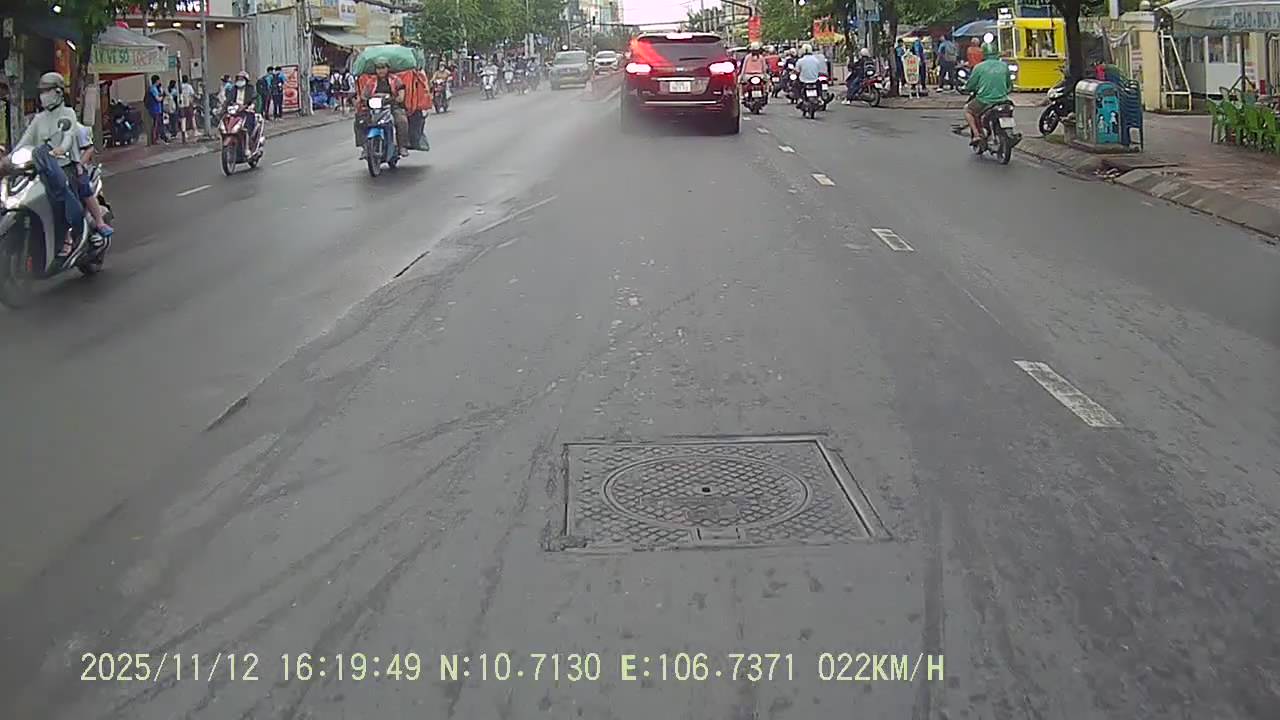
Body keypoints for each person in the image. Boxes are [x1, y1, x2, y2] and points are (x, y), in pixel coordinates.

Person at [12, 72, 87, 261]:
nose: (43, 95)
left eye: (47, 91)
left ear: (59, 92)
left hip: (63, 166)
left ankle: (68, 236)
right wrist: (9, 158)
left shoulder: (68, 113)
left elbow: (68, 136)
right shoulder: (39, 118)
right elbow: (24, 141)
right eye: (42, 91)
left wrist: (61, 149)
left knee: (61, 200)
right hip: (41, 168)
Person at [357, 59, 409, 159]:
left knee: (402, 121)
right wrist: (364, 99)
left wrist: (396, 99)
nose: (381, 71)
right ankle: (365, 147)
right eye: (378, 68)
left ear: (387, 68)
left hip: (392, 106)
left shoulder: (395, 80)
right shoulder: (371, 81)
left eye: (383, 68)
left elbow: (401, 95)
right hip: (374, 107)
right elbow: (364, 95)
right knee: (360, 121)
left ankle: (402, 146)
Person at [963, 43, 1011, 145]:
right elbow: (1009, 86)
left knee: (968, 110)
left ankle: (976, 135)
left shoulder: (979, 67)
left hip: (984, 100)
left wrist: (967, 88)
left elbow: (970, 85)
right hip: (1003, 100)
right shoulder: (1004, 66)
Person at [72, 121, 112, 239]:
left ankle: (99, 222)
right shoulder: (44, 127)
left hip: (76, 169)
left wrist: (79, 164)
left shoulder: (76, 128)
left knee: (82, 186)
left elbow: (89, 149)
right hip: (55, 170)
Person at [145, 74, 167, 145]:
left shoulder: (154, 88)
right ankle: (154, 140)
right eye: (159, 80)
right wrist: (163, 97)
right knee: (155, 125)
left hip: (156, 109)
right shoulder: (153, 89)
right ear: (157, 81)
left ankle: (156, 138)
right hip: (155, 109)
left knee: (157, 124)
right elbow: (158, 99)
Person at [178, 74, 196, 141]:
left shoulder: (179, 87)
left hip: (181, 104)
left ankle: (184, 132)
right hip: (188, 103)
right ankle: (195, 131)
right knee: (192, 117)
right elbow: (192, 94)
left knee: (183, 119)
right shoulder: (189, 86)